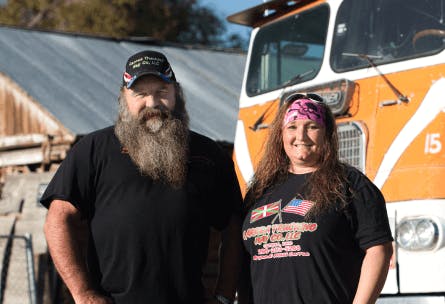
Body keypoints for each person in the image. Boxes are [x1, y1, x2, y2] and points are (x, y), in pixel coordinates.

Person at [41, 50, 243, 304]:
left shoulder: (209, 154)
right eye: (141, 94)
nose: (152, 103)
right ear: (124, 98)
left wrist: (224, 295)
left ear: (176, 94)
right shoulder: (93, 149)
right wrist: (83, 294)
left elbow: (234, 226)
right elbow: (57, 219)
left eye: (161, 91)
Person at [240, 93, 393, 304]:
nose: (301, 136)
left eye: (312, 126)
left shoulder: (351, 184)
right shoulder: (260, 190)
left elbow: (379, 250)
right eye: (292, 127)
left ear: (327, 133)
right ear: (281, 134)